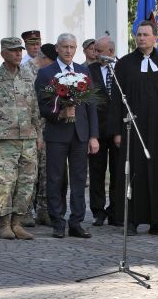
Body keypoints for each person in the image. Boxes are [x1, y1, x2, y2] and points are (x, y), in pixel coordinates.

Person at [108, 20, 158, 236]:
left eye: (145, 35)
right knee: (133, 173)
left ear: (155, 38)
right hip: (132, 129)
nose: (141, 38)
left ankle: (157, 221)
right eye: (138, 34)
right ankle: (131, 220)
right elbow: (116, 100)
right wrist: (117, 131)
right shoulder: (124, 64)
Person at [34, 33, 99, 239]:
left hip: (80, 134)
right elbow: (42, 106)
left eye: (72, 47)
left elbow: (91, 106)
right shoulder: (46, 73)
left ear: (76, 48)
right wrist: (60, 113)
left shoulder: (83, 71)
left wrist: (93, 136)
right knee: (56, 179)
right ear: (57, 48)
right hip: (57, 133)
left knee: (79, 179)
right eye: (64, 47)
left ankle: (76, 222)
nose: (68, 51)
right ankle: (58, 221)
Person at [0, 37, 42, 239]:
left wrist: (39, 135)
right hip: (4, 139)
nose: (18, 54)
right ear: (3, 53)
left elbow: (34, 107)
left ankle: (17, 223)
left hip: (28, 138)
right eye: (13, 50)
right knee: (5, 183)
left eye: (19, 50)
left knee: (26, 183)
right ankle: (5, 224)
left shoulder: (28, 75)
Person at [88, 36, 120, 226]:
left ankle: (116, 210)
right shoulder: (89, 70)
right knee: (97, 173)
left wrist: (120, 131)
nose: (95, 54)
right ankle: (98, 211)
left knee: (118, 173)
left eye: (99, 51)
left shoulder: (122, 69)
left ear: (111, 51)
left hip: (118, 132)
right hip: (97, 132)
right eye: (94, 50)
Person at [32, 42, 59, 225]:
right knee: (31, 173)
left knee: (47, 172)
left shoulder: (57, 75)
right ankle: (27, 211)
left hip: (50, 129)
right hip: (33, 129)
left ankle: (44, 210)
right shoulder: (30, 72)